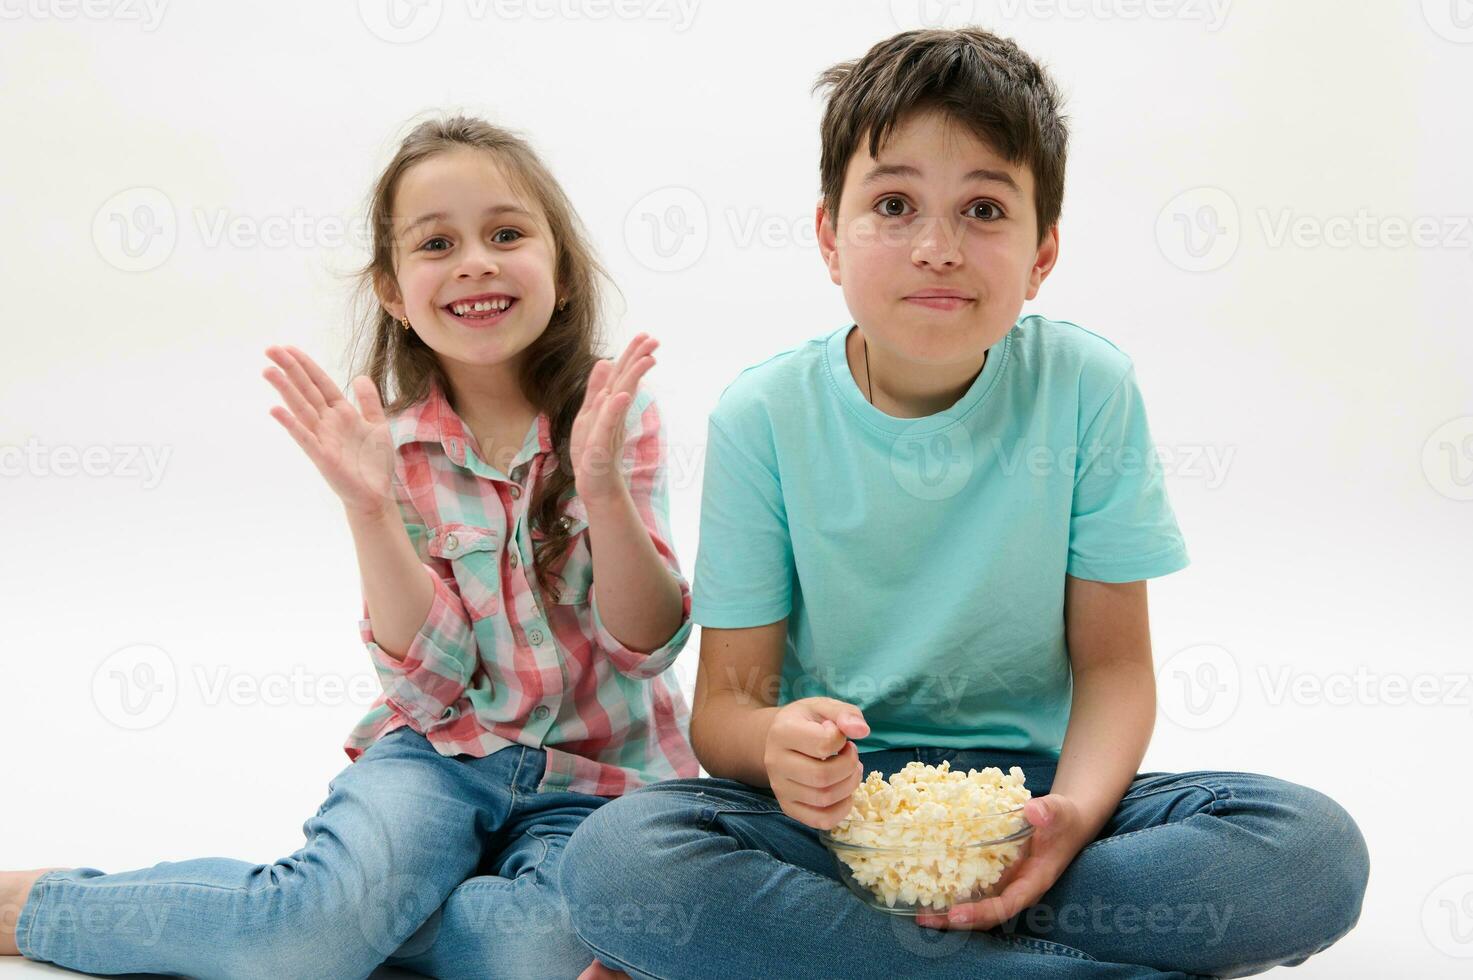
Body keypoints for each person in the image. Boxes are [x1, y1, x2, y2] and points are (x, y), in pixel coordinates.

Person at [557, 28, 1370, 980]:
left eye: (983, 209)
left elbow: (1114, 668)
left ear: (1041, 253)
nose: (937, 248)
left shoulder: (1087, 388)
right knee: (619, 861)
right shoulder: (764, 415)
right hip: (830, 819)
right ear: (828, 235)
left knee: (1310, 851)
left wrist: (1067, 823)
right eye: (894, 205)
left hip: (1031, 807)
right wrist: (777, 745)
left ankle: (841, 955)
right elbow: (727, 709)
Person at [2, 115, 698, 980]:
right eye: (437, 243)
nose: (476, 260)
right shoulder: (391, 447)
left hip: (601, 776)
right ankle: (53, 906)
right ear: (395, 293)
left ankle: (348, 912)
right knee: (300, 942)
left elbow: (647, 642)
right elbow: (430, 681)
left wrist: (600, 491)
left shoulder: (614, 416)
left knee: (546, 953)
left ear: (560, 273)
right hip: (442, 756)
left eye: (507, 234)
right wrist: (367, 510)